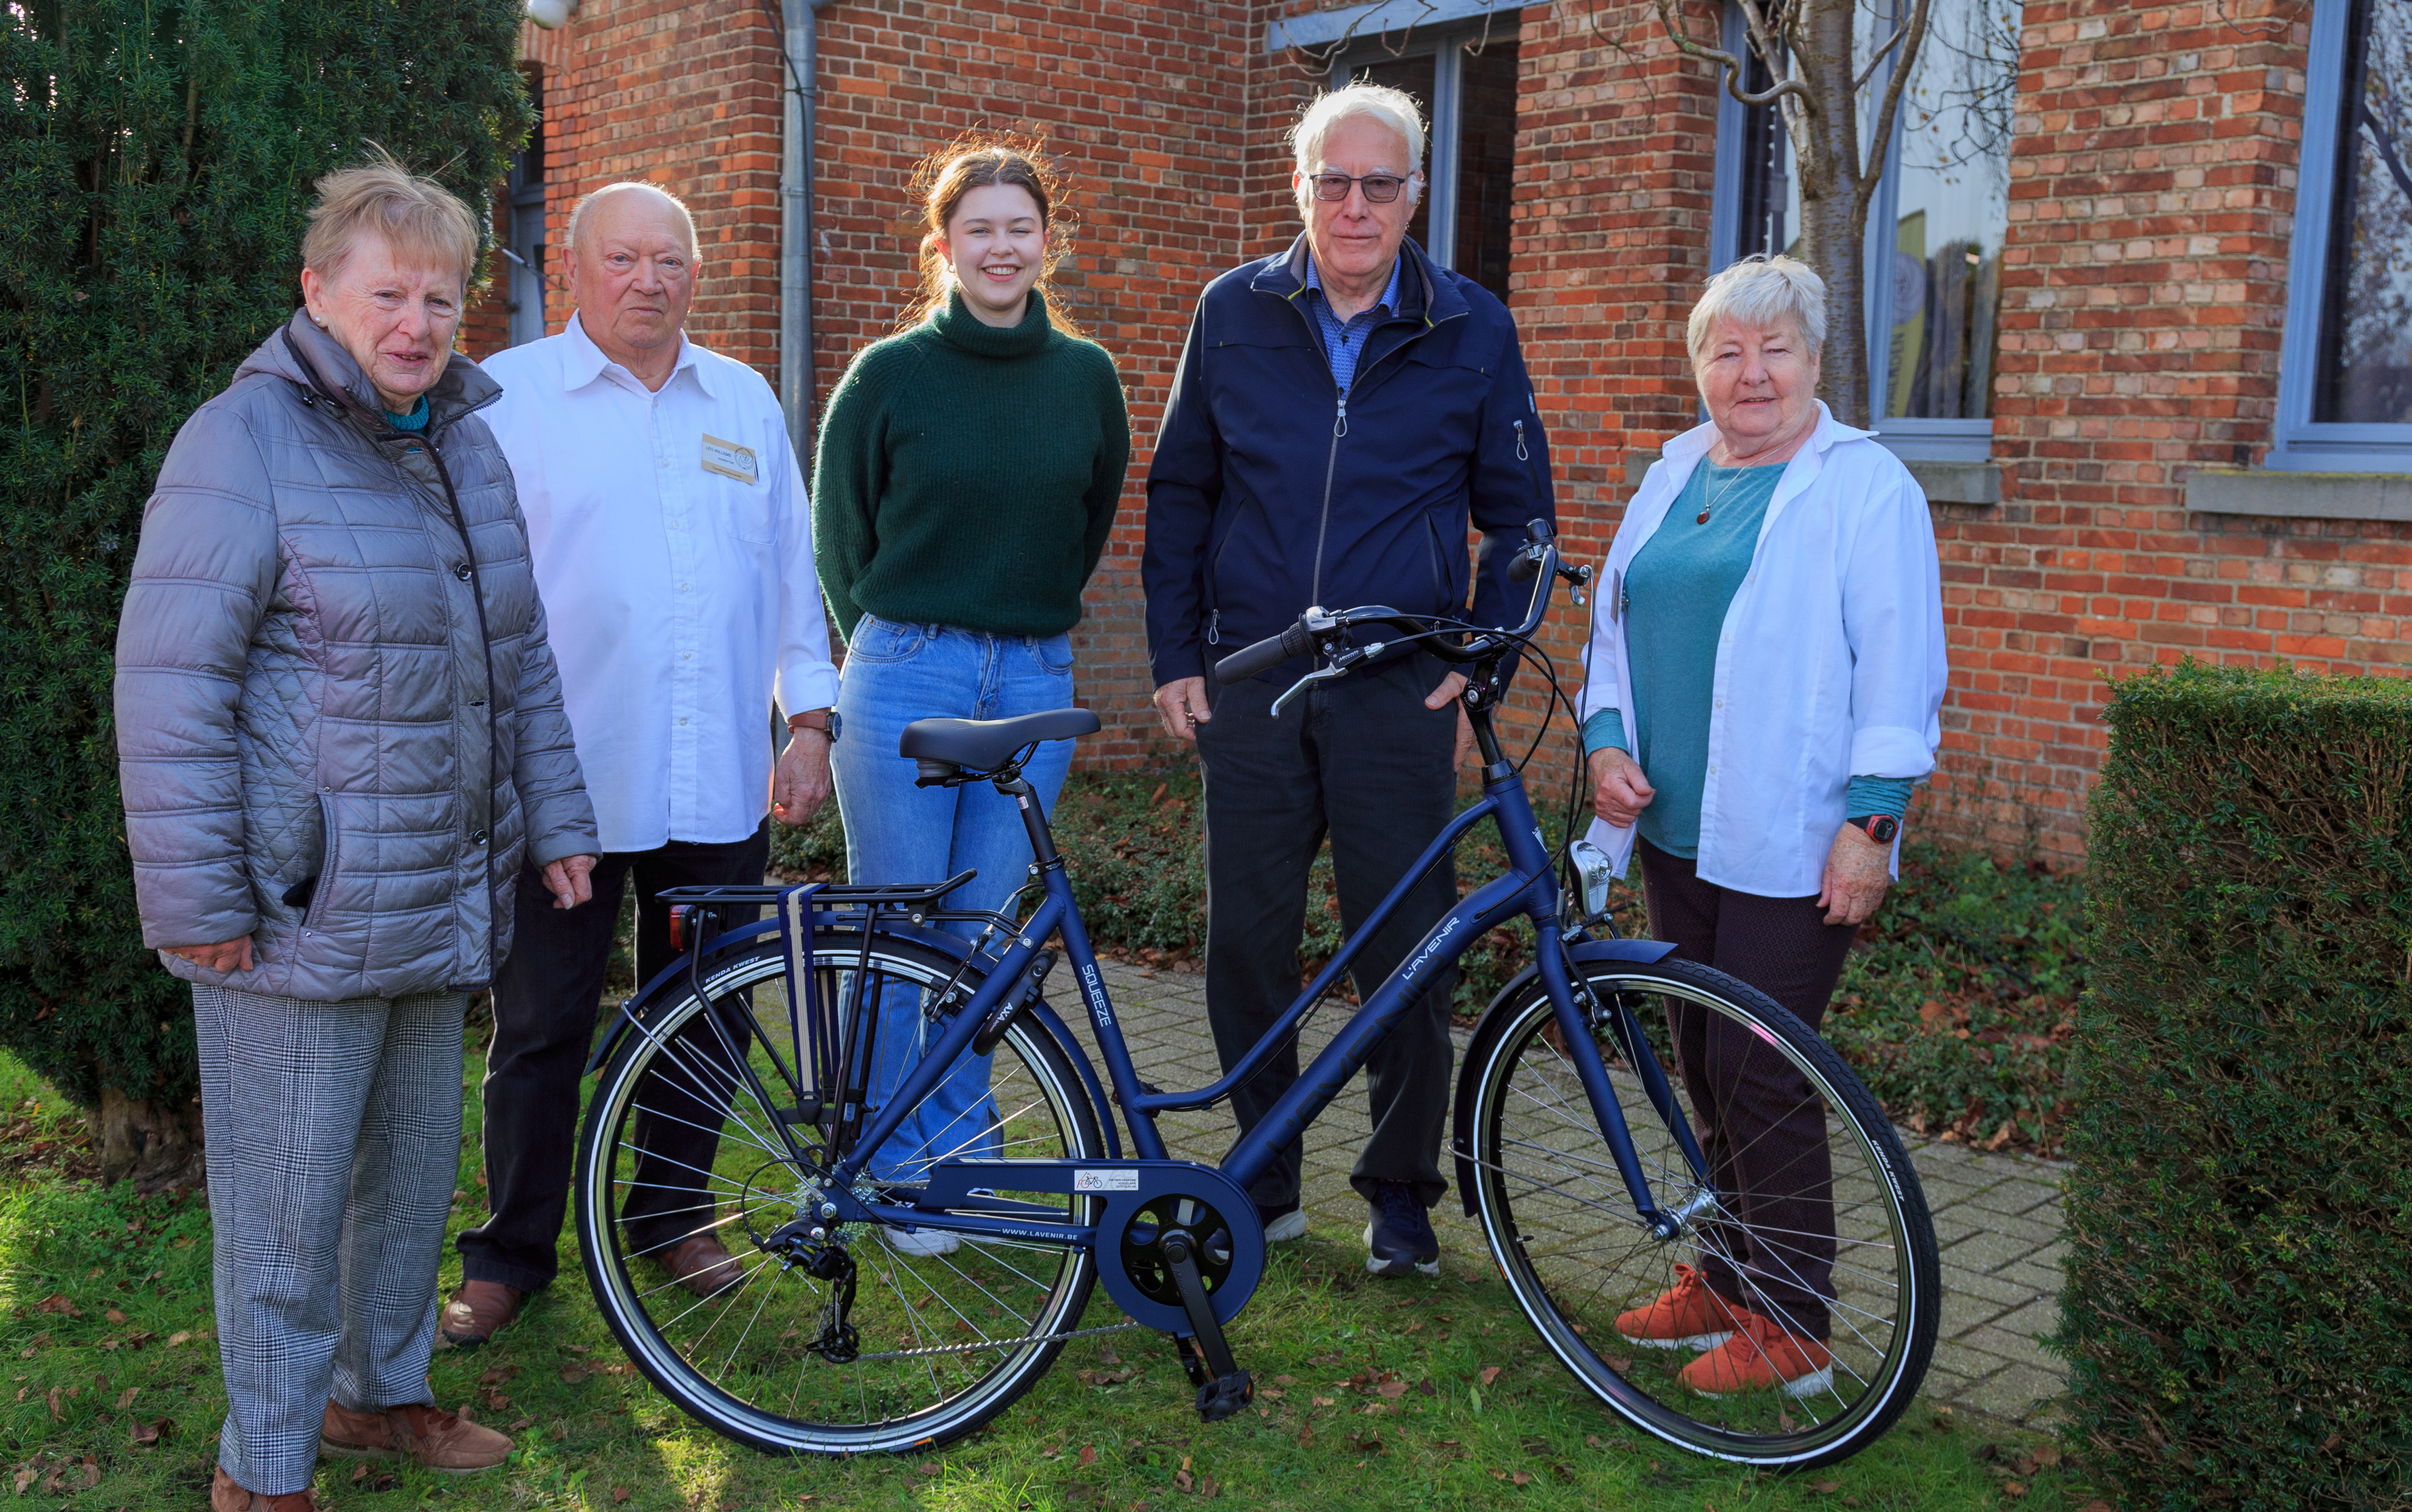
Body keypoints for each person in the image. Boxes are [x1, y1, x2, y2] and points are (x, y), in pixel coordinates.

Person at [114, 155, 600, 1512]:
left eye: (441, 294)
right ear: (317, 294)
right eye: (387, 292)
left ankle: (379, 1396)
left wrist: (557, 823)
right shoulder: (241, 441)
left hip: (439, 892)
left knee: (405, 1175)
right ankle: (258, 1469)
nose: (417, 319)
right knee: (285, 1198)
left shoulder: (464, 442)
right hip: (292, 912)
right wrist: (199, 903)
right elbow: (169, 689)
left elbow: (515, 659)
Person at [1142, 84, 1555, 1277]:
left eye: (1381, 184)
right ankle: (1263, 1181)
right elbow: (1181, 493)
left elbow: (1519, 519)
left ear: (1414, 194)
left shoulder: (1470, 326)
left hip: (1396, 686)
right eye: (1335, 182)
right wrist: (1178, 655)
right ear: (1300, 188)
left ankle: (1399, 1197)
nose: (1357, 205)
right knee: (1246, 948)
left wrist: (1478, 651)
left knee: (1406, 950)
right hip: (1255, 679)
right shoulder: (1231, 313)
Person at [440, 181, 841, 1345]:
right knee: (541, 1026)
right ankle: (512, 1253)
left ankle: (672, 1216)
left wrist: (806, 720)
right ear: (572, 269)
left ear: (695, 275)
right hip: (561, 780)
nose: (648, 281)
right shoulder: (506, 400)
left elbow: (785, 573)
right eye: (623, 260)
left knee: (705, 1013)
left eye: (670, 261)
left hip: (714, 768)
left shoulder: (744, 399)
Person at [1576, 254, 1947, 1395]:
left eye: (1772, 349)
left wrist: (1870, 826)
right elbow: (1614, 626)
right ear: (1697, 368)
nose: (1749, 373)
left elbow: (1901, 667)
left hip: (1795, 840)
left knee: (1761, 1069)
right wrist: (1601, 740)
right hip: (1679, 832)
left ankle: (1792, 1323)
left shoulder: (1863, 486)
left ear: (1815, 361)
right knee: (1702, 1055)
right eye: (1724, 351)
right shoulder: (1675, 468)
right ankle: (1726, 1279)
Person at [812, 142, 1130, 1235]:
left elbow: (1081, 527)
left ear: (1048, 242)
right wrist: (889, 647)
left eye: (1020, 227)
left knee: (981, 949)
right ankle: (891, 1169)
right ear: (941, 248)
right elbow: (837, 533)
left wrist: (1011, 625)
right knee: (895, 939)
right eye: (978, 229)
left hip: (1032, 677)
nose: (1002, 247)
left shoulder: (1084, 378)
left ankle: (961, 1158)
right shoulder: (889, 375)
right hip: (904, 675)